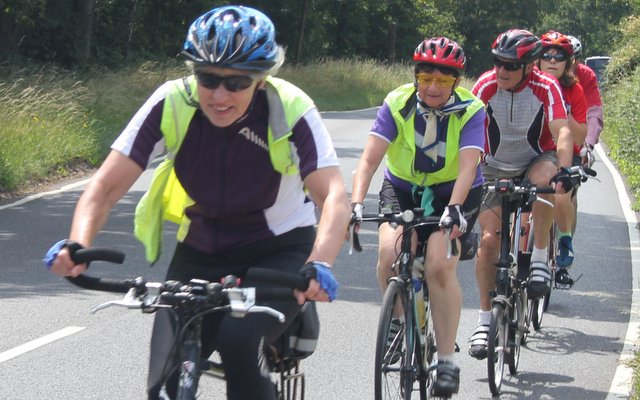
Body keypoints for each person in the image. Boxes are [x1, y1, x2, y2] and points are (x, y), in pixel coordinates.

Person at [44, 5, 350, 400]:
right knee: (164, 382)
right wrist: (77, 243)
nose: (219, 95)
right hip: (203, 248)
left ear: (261, 80)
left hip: (277, 252)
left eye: (237, 82)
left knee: (239, 341)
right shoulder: (172, 101)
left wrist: (321, 260)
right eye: (207, 78)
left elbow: (333, 195)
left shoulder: (289, 107)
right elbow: (104, 186)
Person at [351, 36, 486, 396]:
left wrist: (455, 209)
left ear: (456, 82)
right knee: (390, 254)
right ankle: (397, 321)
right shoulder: (397, 102)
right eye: (426, 78)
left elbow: (469, 166)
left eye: (443, 80)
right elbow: (369, 159)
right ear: (416, 76)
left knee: (440, 264)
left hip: (454, 191)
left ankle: (445, 361)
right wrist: (356, 202)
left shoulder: (472, 109)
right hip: (403, 186)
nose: (433, 87)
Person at [468, 29, 575, 360]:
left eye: (510, 66)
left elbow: (563, 131)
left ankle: (540, 257)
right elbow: (464, 130)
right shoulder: (485, 85)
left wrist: (565, 171)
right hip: (493, 167)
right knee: (488, 241)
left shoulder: (546, 86)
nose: (502, 71)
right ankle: (485, 322)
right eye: (498, 63)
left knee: (547, 180)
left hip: (535, 160)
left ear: (530, 67)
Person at [538, 30, 588, 287]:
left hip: (564, 152)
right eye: (547, 55)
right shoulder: (528, 84)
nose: (553, 60)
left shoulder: (574, 89)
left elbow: (579, 135)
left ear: (568, 63)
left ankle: (564, 240)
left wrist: (556, 104)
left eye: (560, 57)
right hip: (534, 152)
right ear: (537, 59)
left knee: (559, 193)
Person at [567, 34, 604, 168]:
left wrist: (588, 144)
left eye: (573, 60)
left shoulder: (586, 75)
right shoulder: (542, 76)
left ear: (578, 60)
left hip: (575, 137)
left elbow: (594, 112)